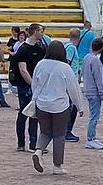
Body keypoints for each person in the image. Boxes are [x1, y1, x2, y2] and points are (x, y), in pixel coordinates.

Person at [28, 41, 86, 175]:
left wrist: (35, 99)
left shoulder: (40, 64)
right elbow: (73, 88)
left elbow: (35, 84)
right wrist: (79, 106)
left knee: (45, 132)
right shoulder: (65, 67)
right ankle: (57, 166)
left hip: (42, 103)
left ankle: (38, 151)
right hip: (60, 105)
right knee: (59, 135)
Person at [10, 23, 46, 152]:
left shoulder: (40, 48)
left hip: (35, 85)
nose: (42, 33)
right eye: (41, 31)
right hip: (25, 85)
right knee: (24, 113)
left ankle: (33, 143)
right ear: (35, 32)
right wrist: (32, 84)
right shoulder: (23, 49)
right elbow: (23, 70)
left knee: (34, 115)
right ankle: (21, 143)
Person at [81, 35, 103, 149]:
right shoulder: (95, 60)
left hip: (88, 89)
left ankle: (92, 137)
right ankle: (90, 139)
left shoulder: (86, 58)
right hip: (94, 91)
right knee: (94, 116)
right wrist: (102, 91)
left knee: (93, 115)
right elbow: (98, 77)